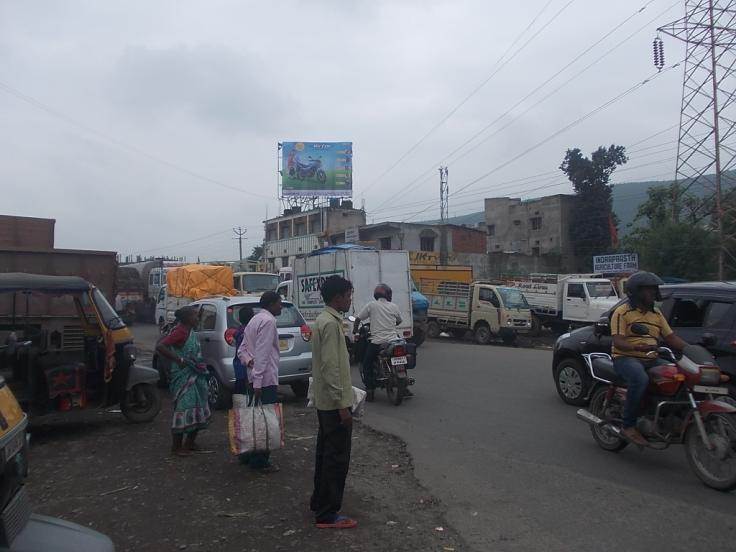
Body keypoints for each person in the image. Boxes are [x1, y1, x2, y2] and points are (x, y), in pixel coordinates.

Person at [611, 271, 688, 446]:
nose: (653, 293)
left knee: (679, 376)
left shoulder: (656, 314)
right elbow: (618, 341)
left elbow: (671, 338)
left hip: (652, 357)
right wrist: (636, 346)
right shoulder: (622, 312)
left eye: (654, 289)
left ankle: (668, 418)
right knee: (640, 378)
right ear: (636, 292)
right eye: (648, 290)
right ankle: (628, 425)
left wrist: (691, 349)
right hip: (626, 357)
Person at [310, 275, 357, 529]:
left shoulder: (324, 320)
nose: (350, 299)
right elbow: (330, 367)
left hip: (325, 402)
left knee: (325, 454)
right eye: (348, 295)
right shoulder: (329, 324)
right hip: (333, 403)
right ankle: (328, 514)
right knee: (336, 458)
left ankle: (320, 502)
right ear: (338, 297)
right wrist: (342, 404)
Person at [156, 306, 212, 456]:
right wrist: (178, 359)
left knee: (198, 407)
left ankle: (190, 443)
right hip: (183, 376)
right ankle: (177, 447)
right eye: (195, 316)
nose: (197, 319)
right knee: (184, 408)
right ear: (187, 319)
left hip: (196, 374)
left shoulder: (189, 330)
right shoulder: (180, 331)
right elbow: (160, 346)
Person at [239, 291, 282, 473]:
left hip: (254, 376)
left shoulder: (254, 320)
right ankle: (259, 460)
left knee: (253, 417)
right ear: (271, 304)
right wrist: (258, 381)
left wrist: (249, 362)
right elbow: (263, 354)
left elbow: (243, 350)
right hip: (264, 379)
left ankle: (248, 453)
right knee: (265, 420)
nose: (281, 306)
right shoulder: (269, 321)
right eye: (279, 303)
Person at [352, 283, 403, 402]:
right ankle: (404, 387)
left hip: (377, 341)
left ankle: (370, 391)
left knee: (366, 363)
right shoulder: (394, 306)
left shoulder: (372, 305)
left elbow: (358, 319)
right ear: (388, 295)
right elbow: (399, 321)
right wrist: (390, 325)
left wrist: (355, 330)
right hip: (394, 340)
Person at [234, 305, 256, 395]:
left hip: (239, 364)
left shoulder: (239, 330)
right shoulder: (249, 331)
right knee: (247, 391)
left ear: (239, 318)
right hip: (247, 365)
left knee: (240, 391)